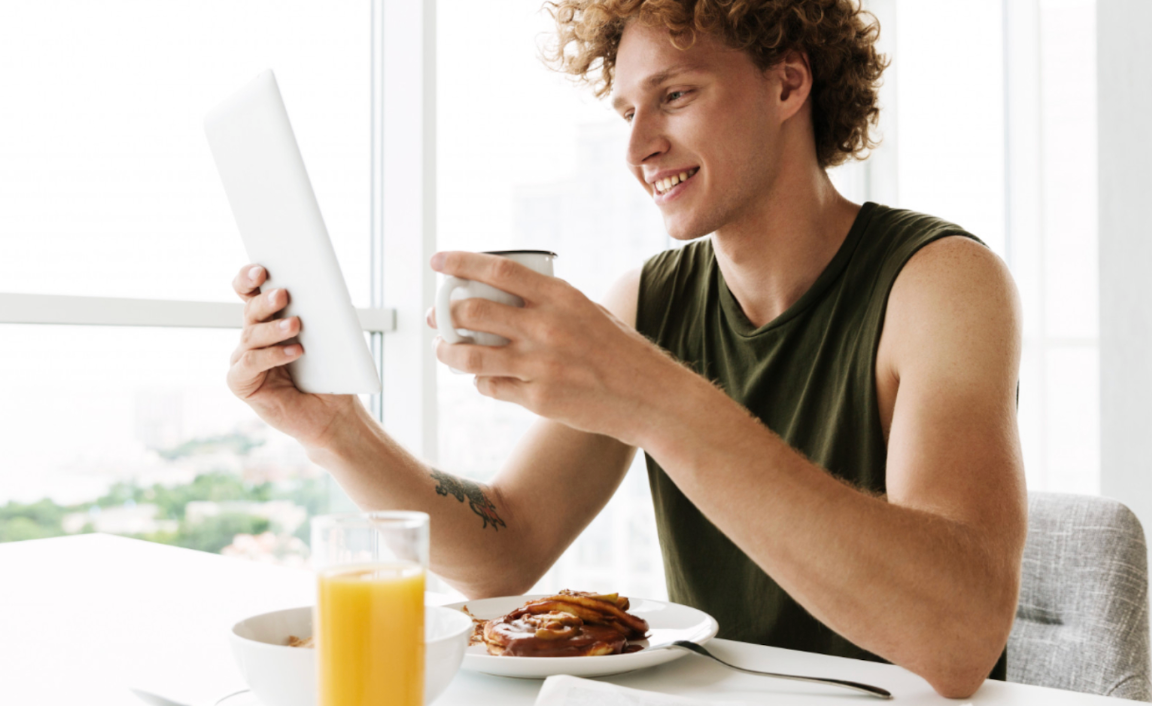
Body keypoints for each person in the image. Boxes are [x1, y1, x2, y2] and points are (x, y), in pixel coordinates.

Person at [227, 0, 1025, 698]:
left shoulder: (941, 283)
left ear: (788, 84)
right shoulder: (653, 299)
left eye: (674, 95)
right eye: (625, 112)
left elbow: (958, 641)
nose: (639, 145)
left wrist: (651, 396)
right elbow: (506, 552)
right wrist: (336, 429)